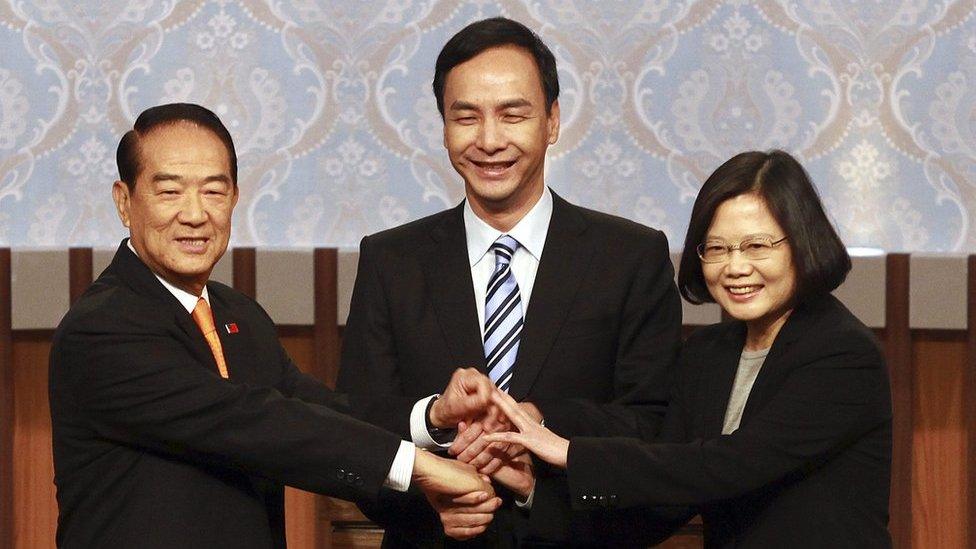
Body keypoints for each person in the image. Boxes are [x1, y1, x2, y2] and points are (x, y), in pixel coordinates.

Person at [49, 103, 499, 549]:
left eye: (213, 191)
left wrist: (432, 417)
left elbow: (314, 407)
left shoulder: (239, 315)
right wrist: (415, 465)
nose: (194, 214)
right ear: (125, 203)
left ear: (235, 199)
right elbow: (250, 422)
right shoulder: (100, 328)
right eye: (169, 192)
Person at [336, 16, 682, 547]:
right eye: (466, 117)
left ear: (552, 121)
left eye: (512, 114)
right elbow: (356, 432)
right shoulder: (390, 260)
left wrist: (541, 424)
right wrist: (431, 492)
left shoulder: (631, 256)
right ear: (444, 128)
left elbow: (654, 425)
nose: (489, 140)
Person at [486, 150, 893, 547]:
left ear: (802, 243)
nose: (735, 267)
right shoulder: (707, 354)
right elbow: (664, 497)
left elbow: (728, 465)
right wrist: (534, 492)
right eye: (716, 248)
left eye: (756, 246)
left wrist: (572, 454)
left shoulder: (843, 354)